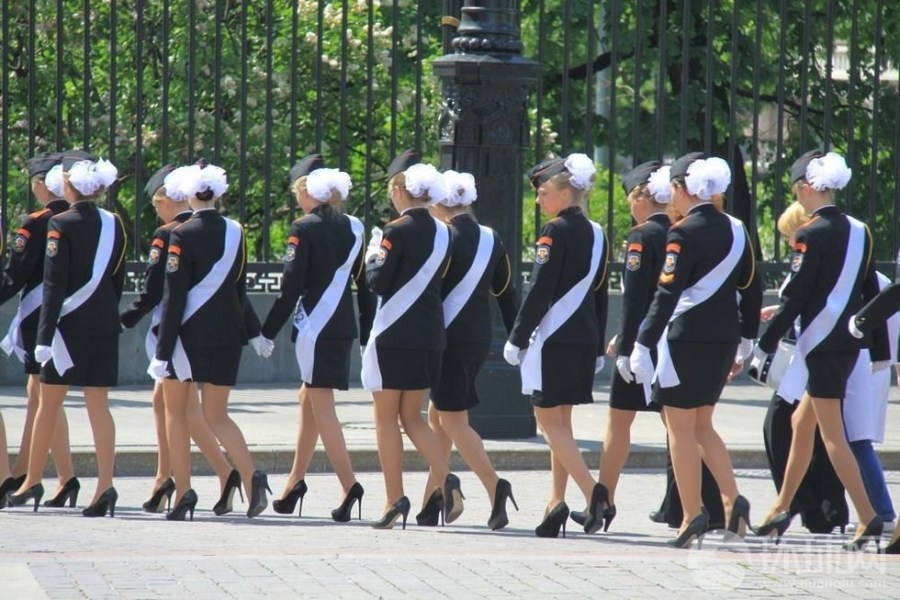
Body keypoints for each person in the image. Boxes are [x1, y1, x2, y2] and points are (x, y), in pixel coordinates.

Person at [752, 150, 888, 551]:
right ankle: (781, 507)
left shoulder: (809, 234)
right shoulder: (860, 230)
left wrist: (764, 344)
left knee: (833, 437)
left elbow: (794, 298)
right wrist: (880, 350)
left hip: (823, 347)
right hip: (847, 344)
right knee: (801, 423)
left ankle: (869, 517)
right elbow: (872, 293)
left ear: (806, 188)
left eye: (797, 189)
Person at [629, 153, 761, 548]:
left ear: (682, 189)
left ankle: (692, 514)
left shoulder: (683, 232)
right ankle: (733, 500)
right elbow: (751, 287)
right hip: (725, 336)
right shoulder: (737, 228)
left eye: (672, 188)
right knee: (703, 425)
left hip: (686, 339)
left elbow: (667, 294)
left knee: (680, 429)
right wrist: (747, 339)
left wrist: (642, 342)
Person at [149, 162, 273, 521]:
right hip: (228, 334)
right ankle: (252, 477)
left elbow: (174, 298)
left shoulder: (181, 234)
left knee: (176, 413)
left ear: (189, 195)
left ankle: (184, 492)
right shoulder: (236, 231)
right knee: (217, 415)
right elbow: (239, 289)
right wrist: (253, 331)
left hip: (188, 337)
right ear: (217, 195)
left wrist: (162, 351)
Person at [120, 164, 241, 515]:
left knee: (180, 409)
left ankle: (206, 475)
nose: (156, 210)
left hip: (175, 333)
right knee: (168, 405)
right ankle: (168, 476)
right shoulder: (221, 229)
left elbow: (155, 291)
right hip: (202, 330)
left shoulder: (169, 232)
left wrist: (124, 320)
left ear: (167, 199)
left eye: (156, 203)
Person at [10, 153, 126, 517]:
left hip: (65, 330)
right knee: (99, 407)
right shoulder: (114, 223)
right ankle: (105, 485)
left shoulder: (60, 223)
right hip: (103, 325)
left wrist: (43, 338)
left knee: (48, 404)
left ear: (69, 185)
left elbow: (53, 286)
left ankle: (32, 481)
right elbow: (117, 280)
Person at [503, 153, 611, 538]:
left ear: (565, 193)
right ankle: (555, 503)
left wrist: (517, 338)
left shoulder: (554, 231)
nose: (538, 200)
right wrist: (597, 346)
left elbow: (539, 291)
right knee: (562, 424)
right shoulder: (597, 232)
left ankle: (595, 495)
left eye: (544, 193)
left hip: (555, 340)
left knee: (548, 423)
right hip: (583, 338)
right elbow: (601, 295)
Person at [261, 156, 373, 522]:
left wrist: (267, 331)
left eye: (297, 192)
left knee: (322, 406)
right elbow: (364, 285)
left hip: (316, 328)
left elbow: (291, 286)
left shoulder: (304, 227)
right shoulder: (355, 226)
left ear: (306, 191)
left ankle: (349, 485)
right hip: (342, 328)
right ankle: (295, 483)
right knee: (308, 399)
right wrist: (367, 331)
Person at [570, 161, 680, 532]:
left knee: (618, 423)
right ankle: (685, 501)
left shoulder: (641, 236)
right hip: (673, 340)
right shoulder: (681, 231)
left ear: (640, 197)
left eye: (630, 199)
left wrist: (627, 344)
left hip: (643, 344)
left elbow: (634, 301)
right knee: (679, 426)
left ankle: (603, 502)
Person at [362, 150, 462, 530]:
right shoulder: (444, 231)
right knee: (413, 417)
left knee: (386, 419)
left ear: (400, 190)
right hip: (429, 335)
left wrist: (373, 258)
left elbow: (379, 283)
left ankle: (394, 499)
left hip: (394, 334)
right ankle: (446, 476)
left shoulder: (395, 230)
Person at [420, 169, 519, 530]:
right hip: (478, 337)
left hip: (448, 338)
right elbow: (505, 291)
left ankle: (495, 486)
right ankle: (433, 499)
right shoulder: (492, 238)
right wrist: (517, 337)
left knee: (452, 420)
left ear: (440, 204)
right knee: (438, 418)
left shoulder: (442, 236)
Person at [760, 201, 849, 535]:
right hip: (809, 351)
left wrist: (765, 342)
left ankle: (803, 502)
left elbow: (800, 298)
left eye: (789, 233)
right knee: (813, 430)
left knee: (781, 426)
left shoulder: (811, 246)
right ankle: (823, 508)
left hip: (810, 353)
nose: (788, 241)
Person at [0, 152, 77, 508]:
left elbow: (14, 276)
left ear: (42, 186)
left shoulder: (36, 223)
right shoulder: (84, 219)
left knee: (45, 397)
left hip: (40, 319)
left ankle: (31, 475)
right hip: (72, 316)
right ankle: (61, 475)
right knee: (45, 396)